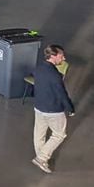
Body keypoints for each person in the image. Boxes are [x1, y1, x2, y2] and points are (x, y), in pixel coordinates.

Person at [31, 44, 75, 174]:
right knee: (59, 134)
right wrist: (70, 108)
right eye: (61, 56)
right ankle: (41, 158)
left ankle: (41, 157)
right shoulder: (55, 75)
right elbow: (62, 94)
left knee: (39, 134)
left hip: (39, 107)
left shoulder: (38, 68)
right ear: (53, 56)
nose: (64, 58)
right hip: (53, 110)